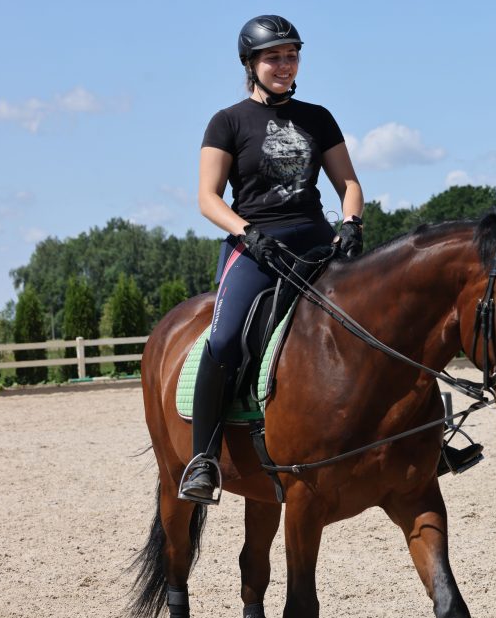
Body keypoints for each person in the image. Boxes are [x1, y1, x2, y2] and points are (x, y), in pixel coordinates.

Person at [181, 15, 477, 503]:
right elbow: (207, 197)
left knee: (382, 324)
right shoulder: (227, 121)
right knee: (227, 336)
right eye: (273, 57)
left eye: (291, 55)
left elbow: (349, 184)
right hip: (254, 247)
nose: (284, 64)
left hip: (317, 241)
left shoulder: (317, 117)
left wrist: (351, 223)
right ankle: (204, 459)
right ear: (251, 64)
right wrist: (247, 233)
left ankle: (426, 441)